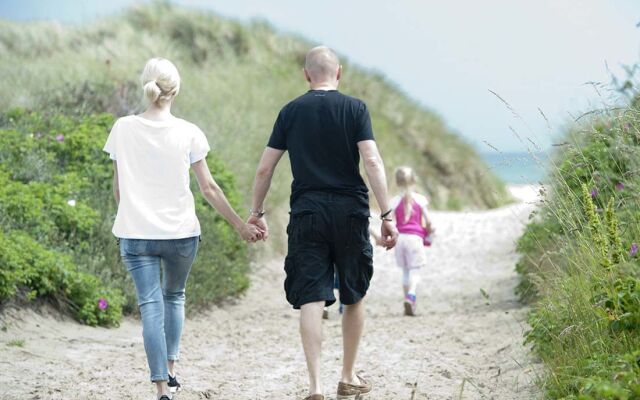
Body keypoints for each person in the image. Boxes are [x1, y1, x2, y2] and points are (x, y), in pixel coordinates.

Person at [103, 57, 262, 400]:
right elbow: (209, 189)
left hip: (136, 234)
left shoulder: (122, 128)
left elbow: (118, 188)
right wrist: (239, 226)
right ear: (175, 90)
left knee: (150, 305)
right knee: (174, 296)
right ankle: (172, 371)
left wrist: (132, 216)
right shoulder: (188, 131)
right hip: (180, 235)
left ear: (145, 87)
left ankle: (161, 386)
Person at [247, 46, 398, 400]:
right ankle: (347, 375)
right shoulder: (355, 109)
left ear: (306, 75)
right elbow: (372, 162)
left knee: (311, 298)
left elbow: (265, 167)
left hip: (308, 213)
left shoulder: (290, 112)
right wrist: (387, 215)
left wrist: (257, 210)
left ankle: (315, 386)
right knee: (354, 293)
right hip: (350, 213)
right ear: (339, 73)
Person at [386, 166, 433, 316]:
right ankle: (411, 296)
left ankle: (408, 301)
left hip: (400, 239)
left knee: (405, 272)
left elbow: (390, 221)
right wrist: (429, 232)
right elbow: (429, 222)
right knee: (415, 270)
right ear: (414, 181)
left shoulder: (394, 201)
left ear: (397, 182)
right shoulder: (420, 200)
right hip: (415, 239)